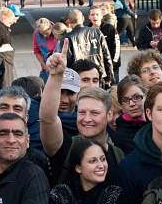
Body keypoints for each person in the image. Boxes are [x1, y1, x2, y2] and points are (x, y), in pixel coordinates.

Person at [41, 44, 125, 185]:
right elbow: (47, 119)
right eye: (82, 112)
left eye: (94, 113)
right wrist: (55, 76)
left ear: (109, 114)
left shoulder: (119, 156)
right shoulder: (65, 147)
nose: (87, 119)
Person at [62, 9, 114, 86]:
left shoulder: (68, 37)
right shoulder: (97, 32)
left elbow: (68, 60)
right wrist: (109, 75)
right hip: (98, 74)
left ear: (69, 22)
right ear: (83, 18)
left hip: (80, 77)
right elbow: (106, 54)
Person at [111, 75, 148, 154]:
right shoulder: (121, 136)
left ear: (146, 95)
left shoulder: (156, 121)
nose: (131, 104)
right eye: (125, 100)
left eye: (137, 97)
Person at [88, 5, 121, 83]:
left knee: (113, 92)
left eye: (97, 14)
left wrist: (112, 64)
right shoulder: (87, 31)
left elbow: (116, 47)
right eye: (92, 15)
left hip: (111, 67)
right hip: (95, 68)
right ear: (89, 16)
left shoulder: (110, 28)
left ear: (101, 16)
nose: (95, 17)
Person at [33, 18, 57, 84]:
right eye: (42, 33)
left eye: (46, 33)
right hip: (46, 64)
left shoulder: (57, 31)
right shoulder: (36, 33)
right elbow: (36, 51)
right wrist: (44, 65)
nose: (44, 36)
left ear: (50, 28)